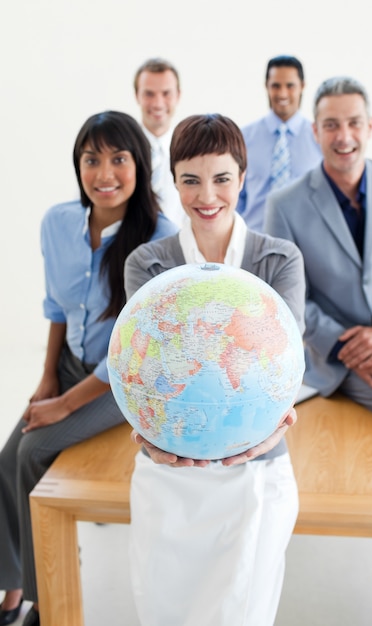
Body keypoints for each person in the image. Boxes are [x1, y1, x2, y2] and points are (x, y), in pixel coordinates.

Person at [264, 76, 372, 626]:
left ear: (370, 126)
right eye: (332, 125)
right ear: (315, 131)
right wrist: (353, 344)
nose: (344, 136)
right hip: (336, 357)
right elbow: (289, 298)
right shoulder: (286, 204)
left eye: (354, 123)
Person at [124, 113, 305, 626]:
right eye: (190, 180)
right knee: (162, 609)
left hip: (255, 466)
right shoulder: (148, 264)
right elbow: (135, 366)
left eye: (222, 178)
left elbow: (289, 364)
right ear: (173, 181)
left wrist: (271, 427)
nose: (208, 195)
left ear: (243, 178)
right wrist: (146, 431)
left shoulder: (278, 259)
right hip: (167, 472)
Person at [0, 111, 178, 626]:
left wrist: (63, 405)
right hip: (71, 367)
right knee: (3, 462)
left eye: (118, 159)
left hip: (121, 381)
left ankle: (45, 593)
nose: (105, 173)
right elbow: (57, 307)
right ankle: (10, 587)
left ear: (140, 166)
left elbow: (131, 351)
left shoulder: (159, 239)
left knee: (32, 452)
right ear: (77, 165)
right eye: (91, 159)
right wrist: (48, 376)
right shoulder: (57, 222)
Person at [236, 55, 321, 232]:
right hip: (254, 240)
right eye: (276, 86)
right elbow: (234, 194)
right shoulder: (243, 137)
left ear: (302, 86)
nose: (282, 93)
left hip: (305, 241)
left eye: (290, 86)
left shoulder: (319, 137)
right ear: (266, 86)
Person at [134, 57, 185, 227]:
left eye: (166, 93)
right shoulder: (118, 150)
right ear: (137, 96)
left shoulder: (190, 151)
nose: (157, 103)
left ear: (178, 95)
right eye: (149, 94)